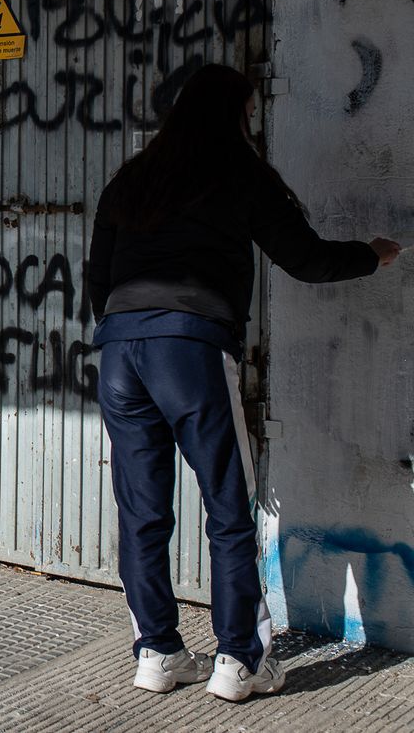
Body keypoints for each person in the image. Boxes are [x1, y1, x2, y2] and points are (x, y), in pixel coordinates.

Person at [88, 63, 400, 702]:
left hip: (120, 350)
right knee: (228, 507)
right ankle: (238, 661)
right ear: (238, 113)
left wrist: (129, 330)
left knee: (141, 509)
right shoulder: (239, 172)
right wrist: (373, 254)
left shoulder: (133, 178)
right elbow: (306, 259)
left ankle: (157, 653)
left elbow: (99, 276)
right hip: (190, 347)